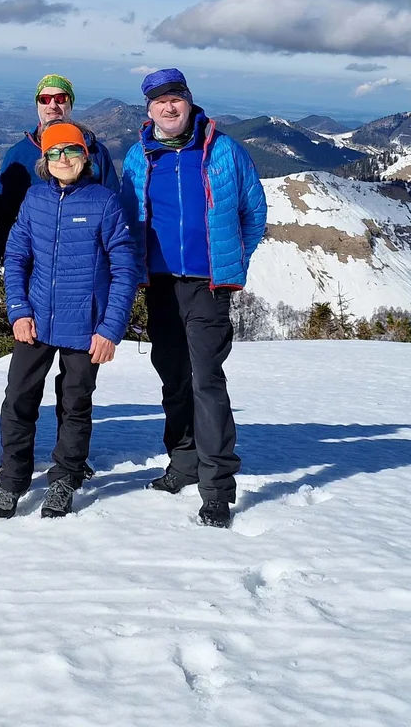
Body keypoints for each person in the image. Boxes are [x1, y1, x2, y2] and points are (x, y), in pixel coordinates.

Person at [119, 68, 267, 528]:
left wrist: (230, 265)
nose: (169, 107)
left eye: (176, 99)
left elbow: (253, 213)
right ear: (149, 110)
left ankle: (217, 486)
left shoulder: (224, 150)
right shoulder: (139, 157)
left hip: (208, 286)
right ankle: (182, 463)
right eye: (159, 102)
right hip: (160, 283)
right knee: (172, 377)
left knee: (206, 380)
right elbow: (127, 216)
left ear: (189, 101)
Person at [0, 121, 142, 520]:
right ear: (44, 160)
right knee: (18, 399)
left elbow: (125, 271)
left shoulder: (104, 202)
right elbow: (17, 258)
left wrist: (110, 330)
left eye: (71, 152)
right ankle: (14, 477)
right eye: (55, 153)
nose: (63, 159)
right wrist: (19, 311)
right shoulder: (34, 199)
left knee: (75, 404)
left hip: (86, 324)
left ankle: (64, 477)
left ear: (85, 157)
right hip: (36, 320)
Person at [0, 74, 120, 235]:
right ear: (37, 105)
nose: (52, 105)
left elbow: (114, 205)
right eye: (44, 99)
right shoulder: (18, 154)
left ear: (70, 104)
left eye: (61, 98)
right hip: (35, 252)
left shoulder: (95, 151)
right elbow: (3, 214)